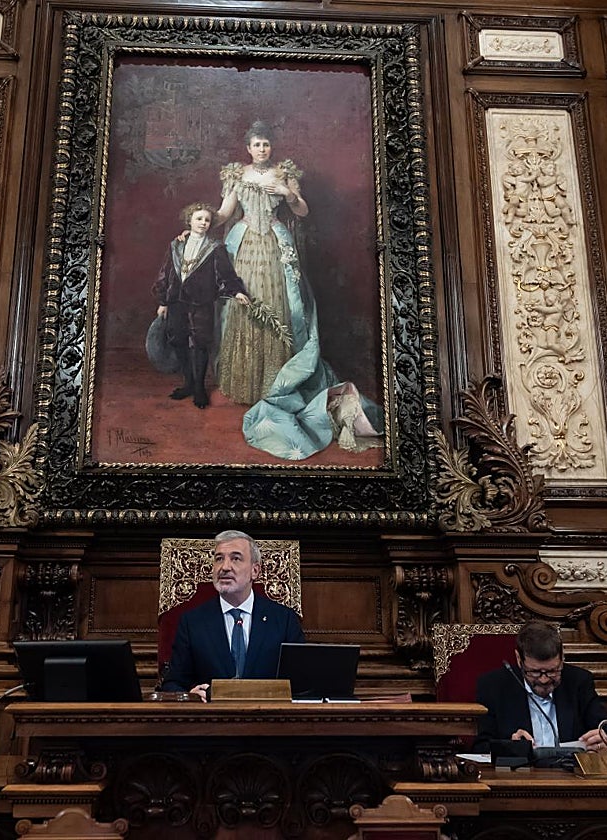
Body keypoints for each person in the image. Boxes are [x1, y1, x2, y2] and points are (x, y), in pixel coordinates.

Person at [213, 120, 381, 460]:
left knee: (279, 305)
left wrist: (289, 194)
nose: (261, 149)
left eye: (266, 144)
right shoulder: (236, 175)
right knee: (244, 305)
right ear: (247, 148)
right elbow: (224, 214)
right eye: (256, 144)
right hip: (245, 246)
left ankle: (274, 382)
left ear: (271, 147)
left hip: (275, 245)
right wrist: (196, 227)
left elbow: (302, 211)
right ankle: (244, 381)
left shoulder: (283, 173)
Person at [160, 529, 305, 699]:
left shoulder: (284, 620)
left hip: (268, 720)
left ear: (255, 571)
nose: (225, 567)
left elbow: (302, 683)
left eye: (235, 559)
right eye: (219, 559)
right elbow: (172, 684)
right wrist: (188, 696)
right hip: (212, 721)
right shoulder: (192, 622)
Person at [153, 202, 250, 408]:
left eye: (207, 220)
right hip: (176, 300)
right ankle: (187, 383)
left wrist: (237, 291)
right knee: (178, 340)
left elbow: (225, 274)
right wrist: (163, 301)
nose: (203, 223)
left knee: (199, 343)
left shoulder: (216, 248)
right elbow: (166, 272)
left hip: (201, 302)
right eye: (199, 219)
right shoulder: (176, 245)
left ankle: (199, 388)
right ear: (189, 220)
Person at [472, 620, 607, 754]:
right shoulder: (494, 685)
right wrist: (512, 747)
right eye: (535, 672)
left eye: (552, 671)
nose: (544, 680)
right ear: (519, 659)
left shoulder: (579, 681)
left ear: (562, 658)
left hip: (571, 772)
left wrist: (603, 739)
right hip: (520, 774)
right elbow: (481, 746)